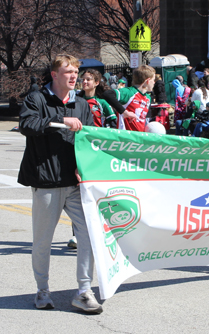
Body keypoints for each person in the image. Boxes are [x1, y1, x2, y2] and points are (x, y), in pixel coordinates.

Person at [18, 54, 103, 313]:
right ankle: (42, 290)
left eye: (76, 71)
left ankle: (84, 291)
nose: (74, 76)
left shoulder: (82, 104)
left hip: (75, 184)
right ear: (54, 75)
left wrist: (85, 166)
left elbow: (89, 139)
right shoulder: (37, 98)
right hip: (46, 181)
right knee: (43, 240)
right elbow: (27, 124)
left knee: (88, 234)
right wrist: (60, 122)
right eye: (68, 71)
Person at [108, 65, 156, 132]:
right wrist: (124, 112)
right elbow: (107, 94)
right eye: (153, 80)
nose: (154, 82)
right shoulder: (129, 93)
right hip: (126, 138)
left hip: (140, 138)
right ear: (148, 81)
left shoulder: (148, 98)